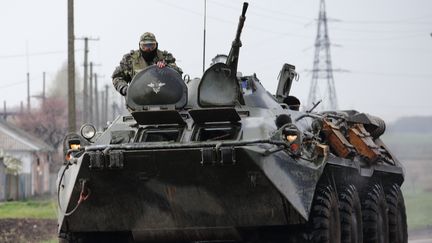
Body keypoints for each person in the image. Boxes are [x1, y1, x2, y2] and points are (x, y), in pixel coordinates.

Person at [112, 32, 182, 96]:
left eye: (152, 46)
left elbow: (178, 73)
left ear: (156, 45)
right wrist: (125, 89)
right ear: (140, 46)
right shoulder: (130, 59)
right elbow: (117, 77)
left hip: (165, 98)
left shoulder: (165, 57)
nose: (148, 49)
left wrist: (166, 68)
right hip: (139, 100)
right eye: (144, 46)